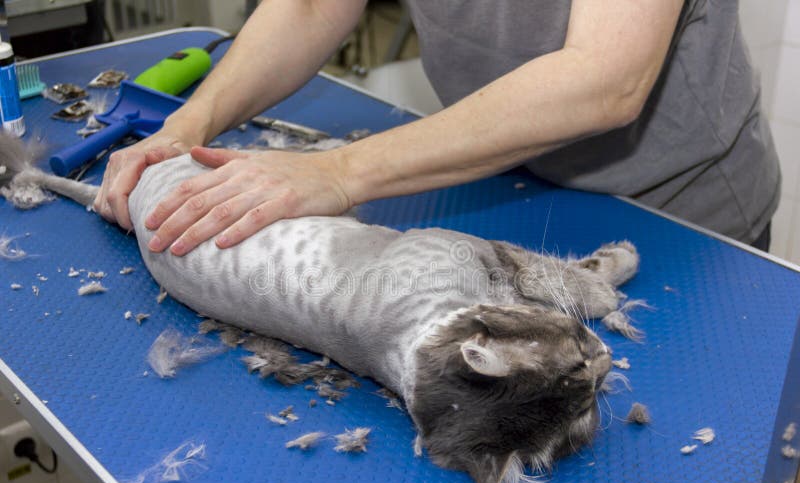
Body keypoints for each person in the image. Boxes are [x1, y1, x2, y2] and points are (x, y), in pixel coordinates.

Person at [93, 0, 780, 256]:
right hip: (506, 180)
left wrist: (339, 171)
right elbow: (311, 6)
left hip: (675, 212)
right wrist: (192, 121)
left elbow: (607, 76)